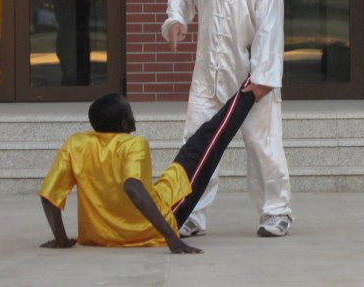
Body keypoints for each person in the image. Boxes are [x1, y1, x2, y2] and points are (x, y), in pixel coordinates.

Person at [161, 0, 293, 238]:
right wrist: (176, 20)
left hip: (251, 81)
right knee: (195, 142)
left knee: (262, 145)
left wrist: (263, 79)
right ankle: (190, 213)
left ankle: (276, 212)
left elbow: (270, 30)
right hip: (207, 76)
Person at [39, 79, 256, 252]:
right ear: (124, 123)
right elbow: (132, 187)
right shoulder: (133, 143)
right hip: (148, 231)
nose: (134, 116)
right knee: (209, 139)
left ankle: (249, 89)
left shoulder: (76, 144)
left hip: (97, 236)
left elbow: (48, 195)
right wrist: (171, 238)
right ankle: (251, 89)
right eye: (131, 113)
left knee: (193, 148)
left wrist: (61, 240)